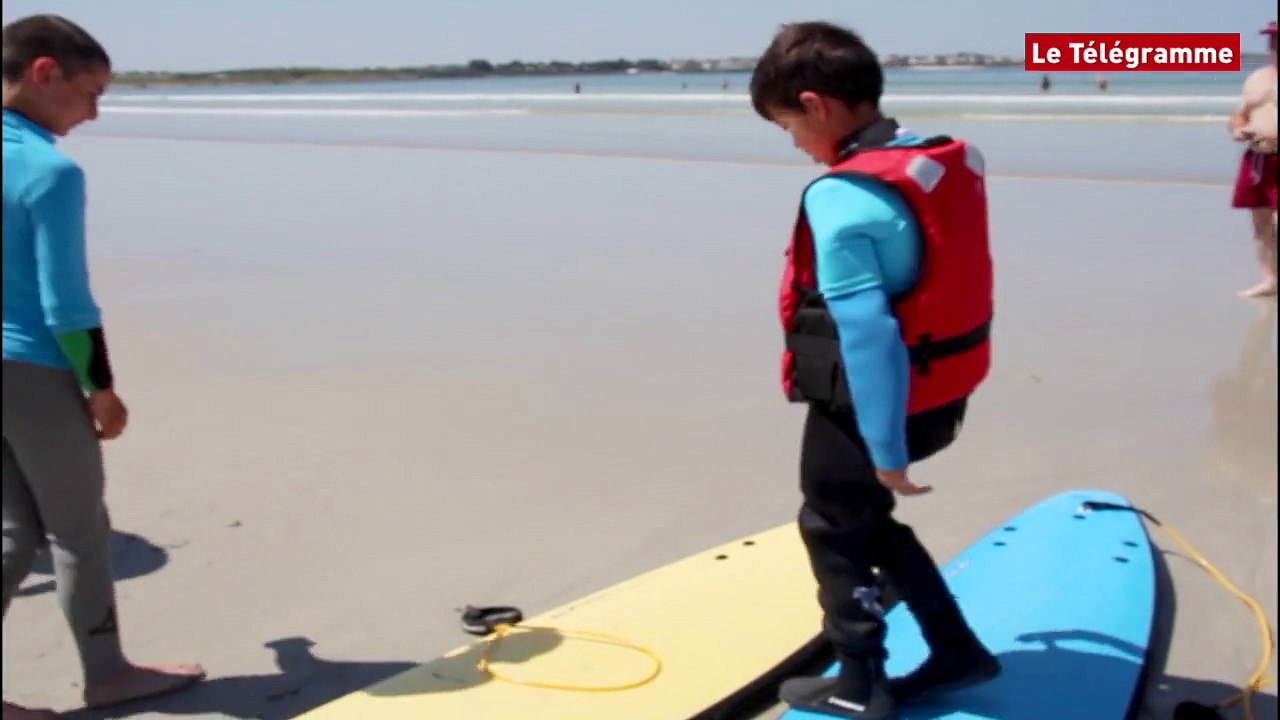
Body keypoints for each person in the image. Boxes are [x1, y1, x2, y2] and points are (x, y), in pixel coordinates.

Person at [749, 22, 999, 719]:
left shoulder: (843, 197)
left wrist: (885, 450)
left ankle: (860, 682)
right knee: (864, 516)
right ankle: (956, 649)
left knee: (830, 524)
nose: (796, 144)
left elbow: (866, 333)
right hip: (942, 390)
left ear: (816, 104)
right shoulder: (934, 159)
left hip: (872, 404)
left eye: (788, 126)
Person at [2, 14, 205, 719]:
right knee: (77, 529)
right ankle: (108, 674)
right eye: (90, 92)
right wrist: (102, 388)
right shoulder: (48, 170)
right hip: (30, 366)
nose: (94, 112)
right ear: (44, 72)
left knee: (12, 531)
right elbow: (66, 302)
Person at [1228, 21, 1278, 299]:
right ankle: (1269, 281)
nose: (1274, 46)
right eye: (1271, 40)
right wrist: (1237, 128)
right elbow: (1239, 115)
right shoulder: (1256, 79)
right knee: (1260, 221)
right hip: (1258, 156)